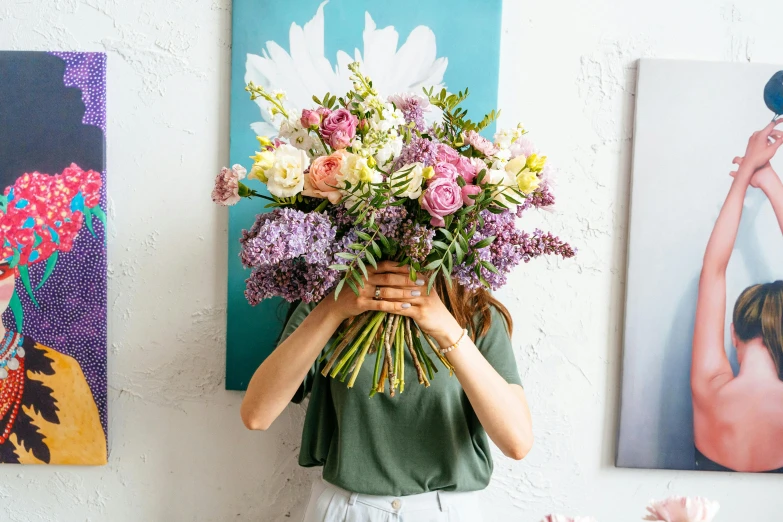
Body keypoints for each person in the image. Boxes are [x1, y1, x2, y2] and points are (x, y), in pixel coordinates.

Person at [241, 262, 533, 521]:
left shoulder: (474, 311)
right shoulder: (328, 300)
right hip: (346, 509)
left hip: (446, 511)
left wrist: (445, 327)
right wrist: (333, 308)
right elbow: (257, 416)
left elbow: (517, 442)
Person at [692, 119, 783, 472]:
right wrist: (771, 183)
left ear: (734, 332)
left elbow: (713, 270)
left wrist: (747, 171)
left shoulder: (708, 388)